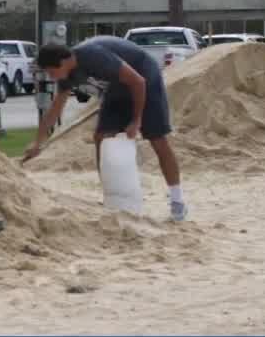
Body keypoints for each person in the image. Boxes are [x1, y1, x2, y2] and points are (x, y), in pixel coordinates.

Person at [22, 36, 188, 221]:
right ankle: (111, 196)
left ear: (63, 61)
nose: (52, 77)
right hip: (116, 90)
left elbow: (138, 82)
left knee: (157, 139)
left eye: (52, 72)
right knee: (101, 137)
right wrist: (38, 143)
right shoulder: (66, 75)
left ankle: (177, 200)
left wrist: (136, 120)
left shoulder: (94, 56)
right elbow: (55, 109)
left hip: (144, 79)